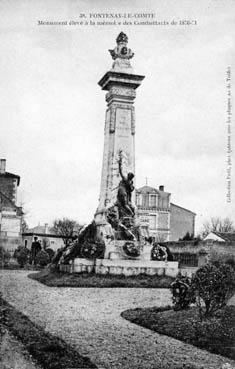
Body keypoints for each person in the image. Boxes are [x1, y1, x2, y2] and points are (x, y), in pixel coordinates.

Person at [117, 151, 135, 218]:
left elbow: (120, 172)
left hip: (121, 192)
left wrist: (119, 164)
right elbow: (130, 190)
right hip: (125, 194)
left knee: (123, 205)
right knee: (125, 205)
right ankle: (131, 213)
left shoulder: (125, 179)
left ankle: (131, 214)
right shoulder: (130, 183)